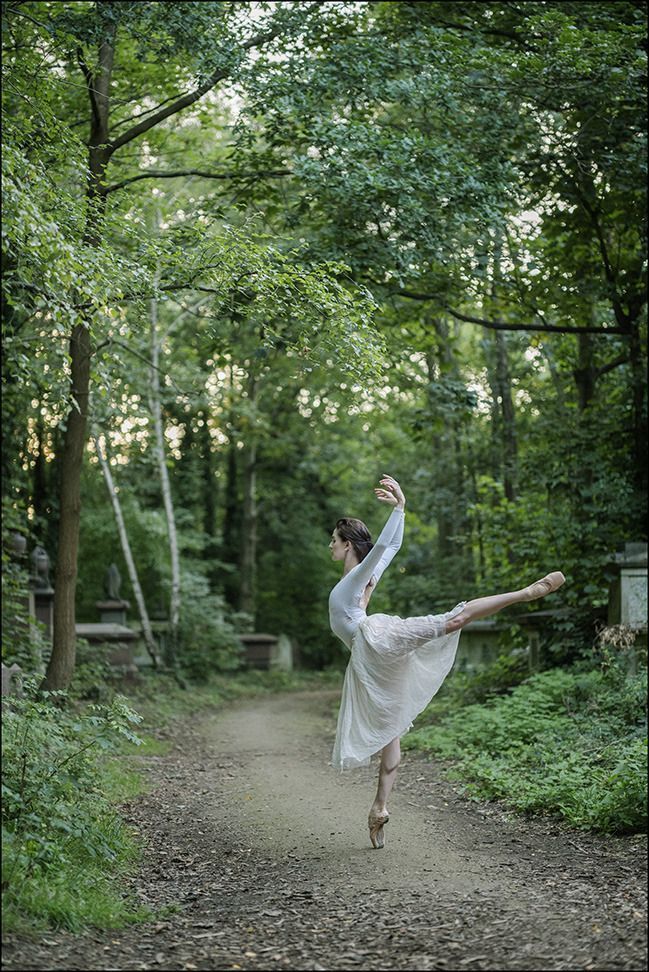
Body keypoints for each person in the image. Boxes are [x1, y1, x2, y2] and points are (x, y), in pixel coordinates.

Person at [328, 474, 565, 849]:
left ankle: (525, 592)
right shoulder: (360, 580)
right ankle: (379, 809)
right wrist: (399, 512)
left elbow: (387, 546)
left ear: (347, 545)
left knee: (452, 620)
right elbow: (388, 550)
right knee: (392, 735)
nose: (331, 546)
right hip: (369, 661)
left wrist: (401, 507)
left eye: (334, 541)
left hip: (375, 640)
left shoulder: (358, 577)